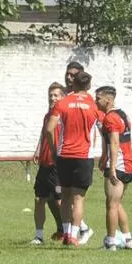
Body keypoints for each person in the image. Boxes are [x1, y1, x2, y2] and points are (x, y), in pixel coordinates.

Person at [46, 71, 101, 247]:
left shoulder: (63, 103)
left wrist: (55, 150)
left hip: (64, 155)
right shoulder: (93, 105)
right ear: (89, 86)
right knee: (79, 198)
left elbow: (49, 129)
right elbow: (101, 128)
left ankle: (66, 232)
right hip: (84, 156)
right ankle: (74, 235)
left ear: (73, 84)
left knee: (66, 196)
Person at [95, 86, 132, 250]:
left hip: (118, 165)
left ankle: (111, 242)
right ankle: (128, 239)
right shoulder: (123, 114)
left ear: (108, 100)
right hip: (128, 163)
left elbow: (114, 142)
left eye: (98, 98)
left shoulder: (110, 118)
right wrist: (103, 155)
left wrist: (111, 167)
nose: (96, 101)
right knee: (117, 202)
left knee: (111, 204)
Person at [29, 82, 65, 245]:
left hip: (58, 165)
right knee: (39, 199)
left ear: (62, 97)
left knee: (59, 200)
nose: (52, 98)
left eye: (56, 95)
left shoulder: (65, 114)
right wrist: (38, 150)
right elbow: (44, 134)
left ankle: (71, 230)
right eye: (50, 95)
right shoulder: (48, 115)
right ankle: (38, 236)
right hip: (45, 164)